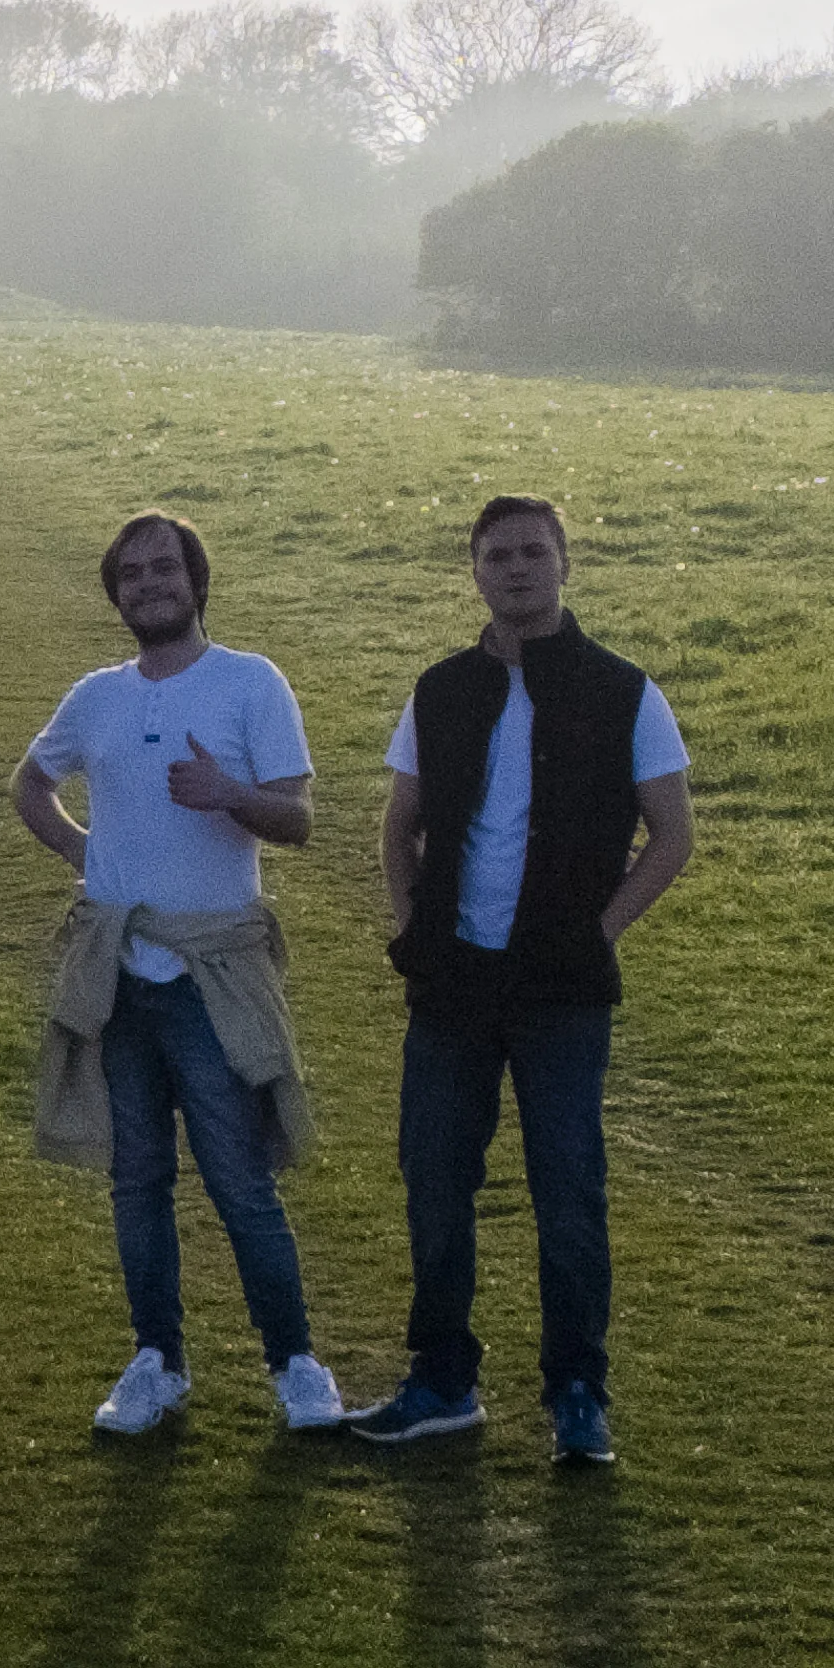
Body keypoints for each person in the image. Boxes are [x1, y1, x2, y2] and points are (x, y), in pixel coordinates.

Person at [348, 494, 693, 1463]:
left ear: (565, 564)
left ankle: (578, 1394)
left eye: (534, 552)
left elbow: (673, 837)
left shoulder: (625, 691)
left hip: (562, 993)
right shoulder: (441, 690)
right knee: (434, 1180)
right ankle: (441, 1381)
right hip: (451, 986)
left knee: (569, 1189)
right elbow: (399, 826)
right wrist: (414, 928)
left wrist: (596, 935)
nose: (516, 569)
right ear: (474, 571)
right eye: (497, 555)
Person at [15, 511, 348, 1436]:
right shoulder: (96, 696)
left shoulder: (251, 682)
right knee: (137, 1182)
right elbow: (29, 783)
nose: (149, 584)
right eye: (131, 574)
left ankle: (296, 1365)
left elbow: (297, 820)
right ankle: (157, 1361)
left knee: (241, 1182)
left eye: (165, 568)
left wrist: (229, 795)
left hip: (214, 976)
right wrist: (88, 856)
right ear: (115, 594)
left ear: (197, 581)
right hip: (118, 976)